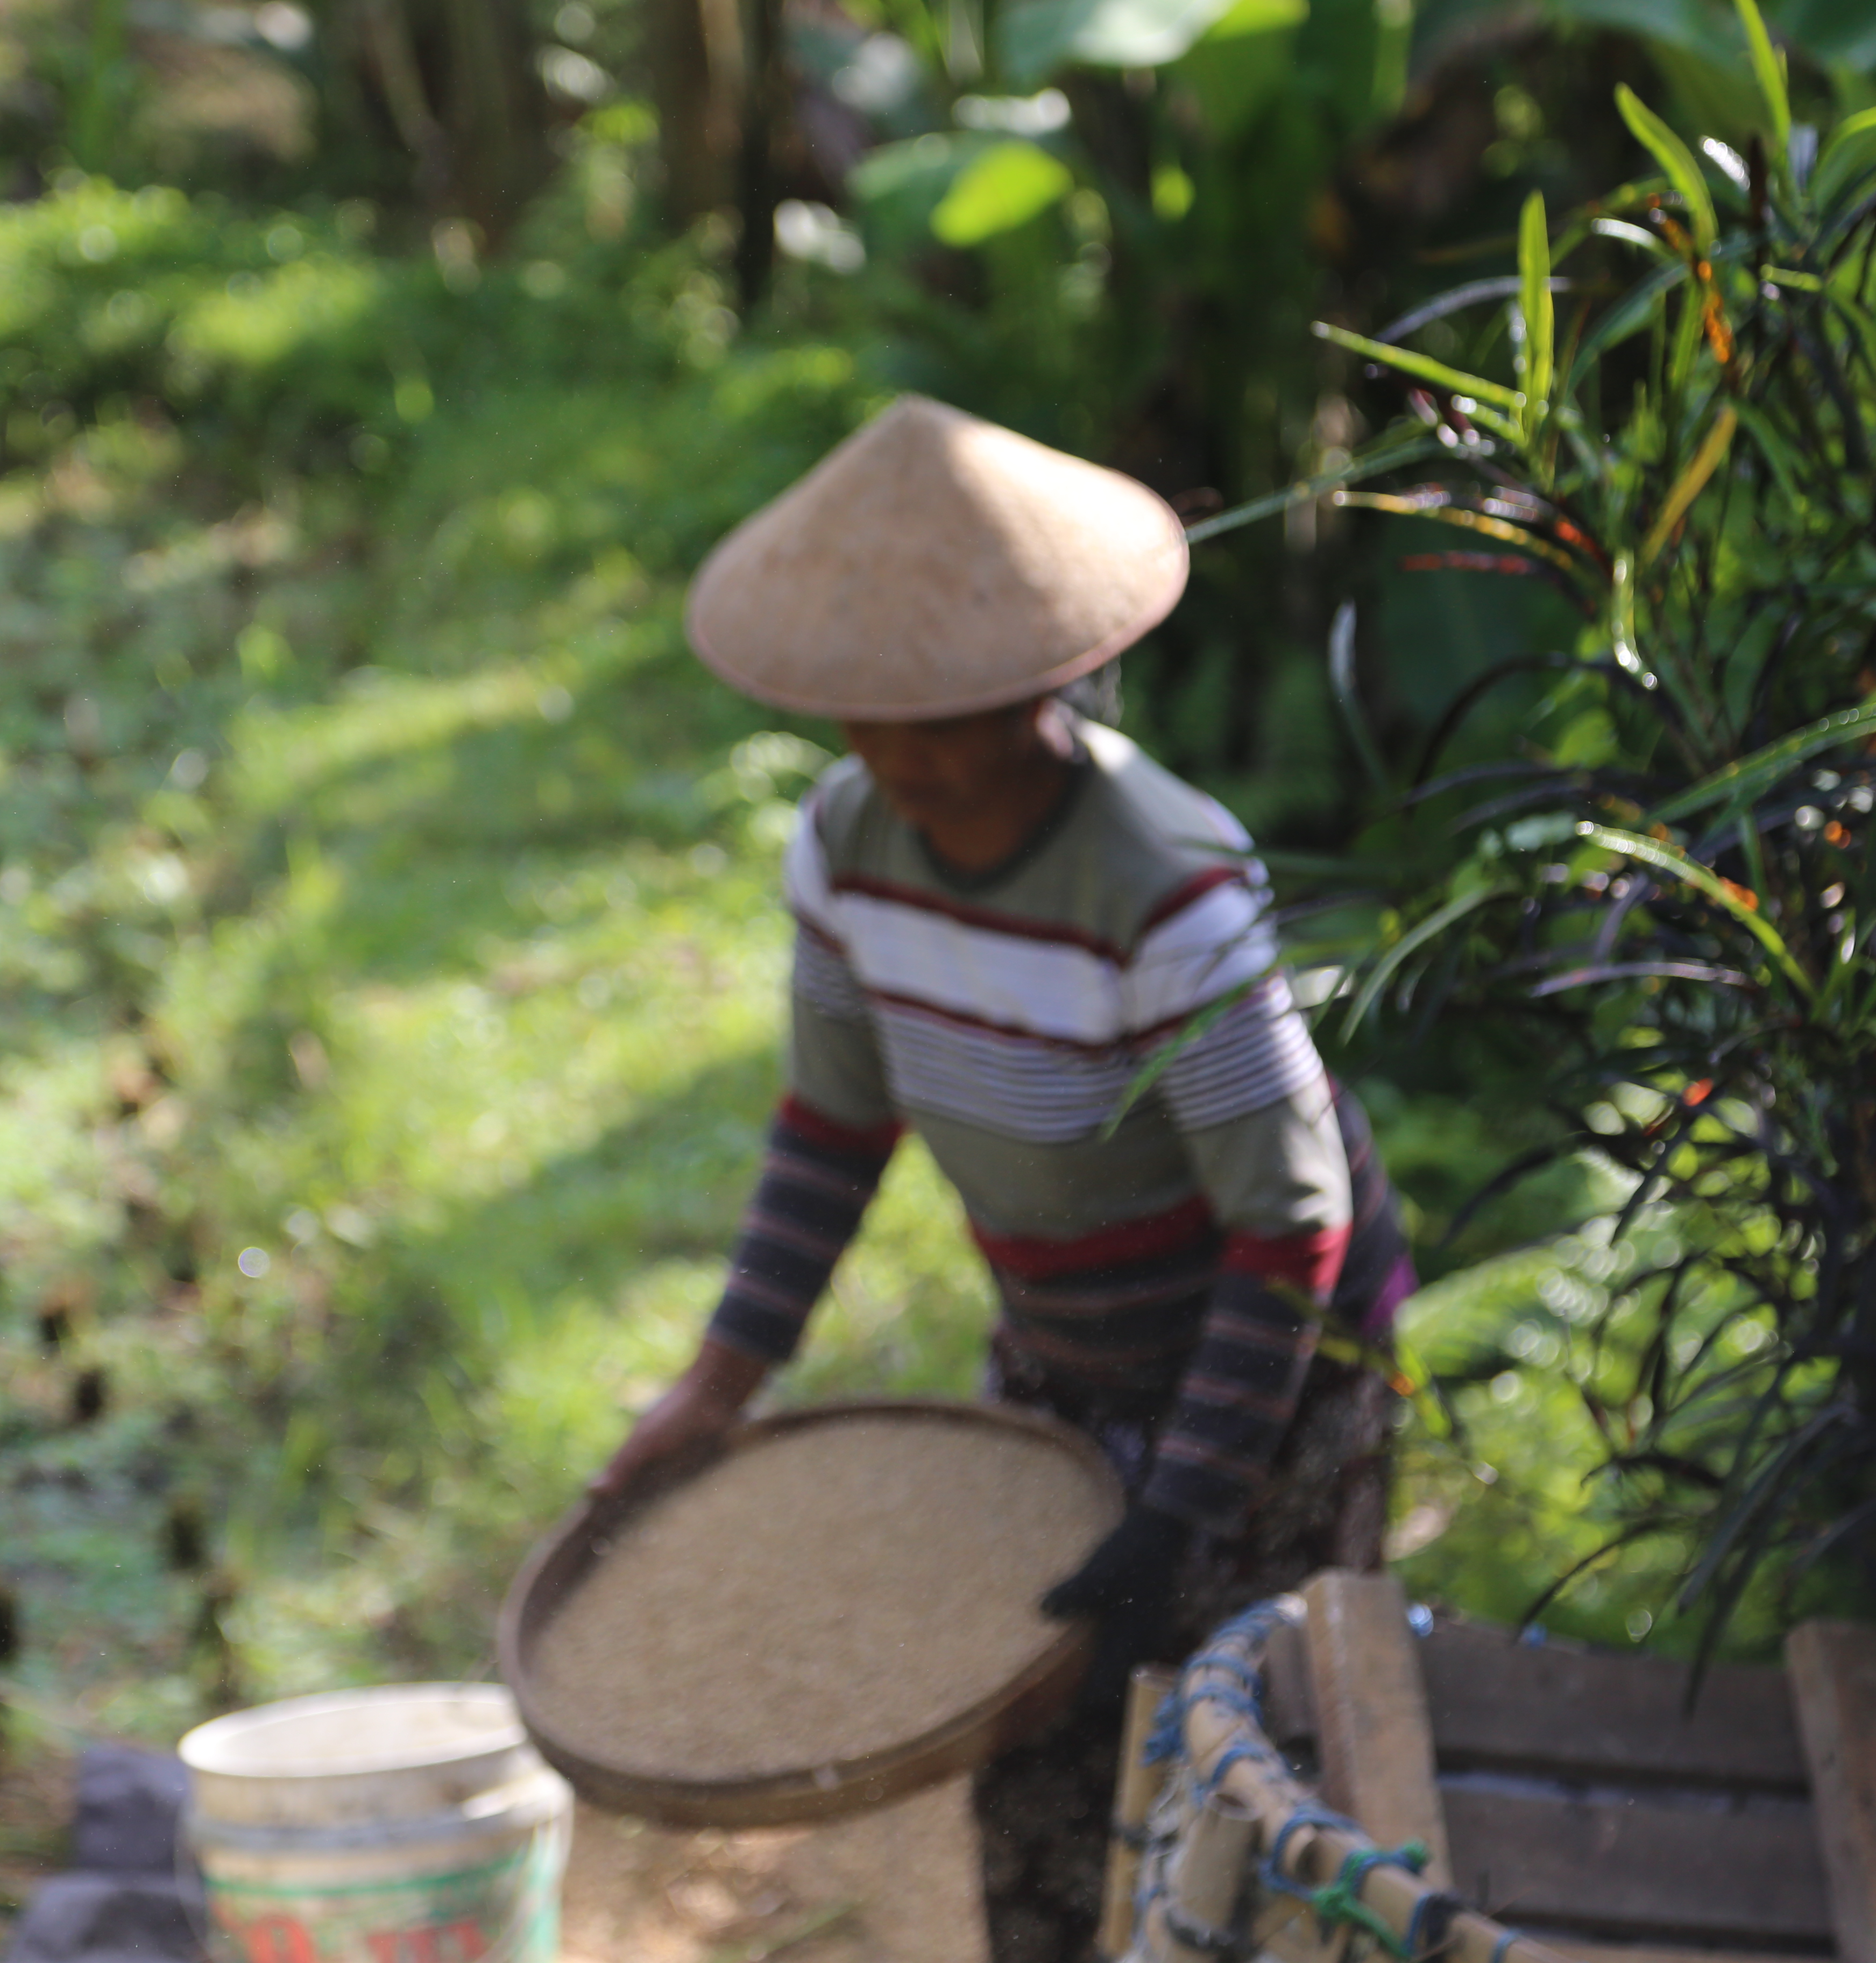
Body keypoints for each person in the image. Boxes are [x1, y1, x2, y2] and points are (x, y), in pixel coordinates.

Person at [589, 396, 1417, 1962]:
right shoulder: (846, 848)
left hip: (1274, 1361)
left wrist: (1175, 1518)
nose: (896, 749)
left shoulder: (1163, 886)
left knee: (1251, 1761)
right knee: (1030, 1744)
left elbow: (1286, 1223)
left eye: (939, 711)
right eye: (865, 712)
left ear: (1038, 687)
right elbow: (831, 1136)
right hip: (1063, 1352)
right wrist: (715, 1386)